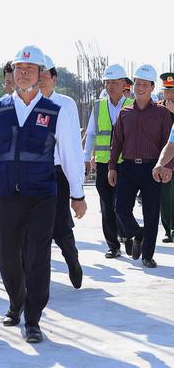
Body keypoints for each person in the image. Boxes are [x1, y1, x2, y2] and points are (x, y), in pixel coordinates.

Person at [0, 45, 87, 343]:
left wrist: (77, 193)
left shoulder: (54, 111)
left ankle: (33, 318)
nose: (22, 74)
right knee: (8, 254)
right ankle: (15, 301)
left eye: (29, 70)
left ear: (40, 74)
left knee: (37, 256)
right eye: (19, 69)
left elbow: (70, 153)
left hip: (42, 193)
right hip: (6, 191)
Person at [108, 64, 173, 269]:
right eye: (138, 84)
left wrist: (167, 166)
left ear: (152, 88)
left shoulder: (162, 113)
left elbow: (168, 143)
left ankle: (148, 255)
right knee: (120, 208)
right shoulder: (125, 113)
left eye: (145, 84)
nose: (140, 88)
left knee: (152, 212)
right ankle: (138, 233)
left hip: (152, 169)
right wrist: (111, 166)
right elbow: (116, 141)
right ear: (133, 85)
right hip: (127, 168)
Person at [39, 55, 84, 289]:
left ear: (54, 79)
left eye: (45, 76)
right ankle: (37, 281)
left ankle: (73, 262)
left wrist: (78, 188)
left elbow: (74, 147)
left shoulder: (66, 104)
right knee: (34, 231)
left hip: (58, 173)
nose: (41, 81)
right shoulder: (26, 103)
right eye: (38, 75)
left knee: (61, 228)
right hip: (33, 173)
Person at [83, 64, 134, 258]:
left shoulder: (132, 105)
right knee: (106, 206)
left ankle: (127, 235)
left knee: (121, 204)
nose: (110, 86)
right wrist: (86, 158)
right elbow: (91, 133)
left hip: (125, 164)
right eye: (107, 82)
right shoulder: (98, 106)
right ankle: (113, 245)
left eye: (115, 82)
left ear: (124, 84)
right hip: (104, 163)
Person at [157, 72, 174, 243]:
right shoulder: (158, 108)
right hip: (163, 159)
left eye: (172, 91)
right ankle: (168, 229)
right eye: (166, 91)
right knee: (165, 197)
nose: (168, 95)